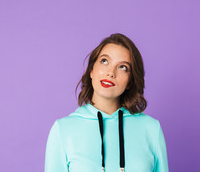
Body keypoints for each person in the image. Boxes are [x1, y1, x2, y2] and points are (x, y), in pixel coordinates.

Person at [45, 33, 169, 172]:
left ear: (130, 81)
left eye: (123, 67)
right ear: (91, 70)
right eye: (104, 61)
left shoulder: (151, 129)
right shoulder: (63, 130)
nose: (111, 73)